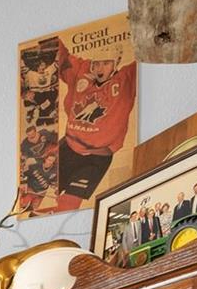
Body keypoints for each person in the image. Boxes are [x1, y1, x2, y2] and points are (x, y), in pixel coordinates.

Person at [52, 41, 138, 210]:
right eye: (96, 63)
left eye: (106, 63)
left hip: (95, 159)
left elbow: (148, 60)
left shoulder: (125, 80)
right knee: (38, 193)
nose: (99, 68)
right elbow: (60, 55)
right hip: (67, 148)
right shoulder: (81, 70)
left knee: (67, 205)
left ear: (116, 62)